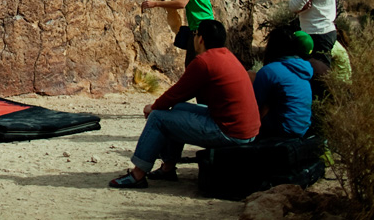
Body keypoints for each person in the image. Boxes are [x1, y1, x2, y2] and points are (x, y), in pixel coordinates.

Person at [109, 20, 260, 189]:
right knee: (179, 108)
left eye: (195, 34)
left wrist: (153, 107)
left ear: (201, 39)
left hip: (228, 132)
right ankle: (168, 168)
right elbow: (180, 97)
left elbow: (177, 92)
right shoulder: (227, 56)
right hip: (245, 130)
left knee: (158, 117)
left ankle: (138, 174)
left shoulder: (204, 61)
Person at [250, 27, 313, 139]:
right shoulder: (303, 68)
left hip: (282, 130)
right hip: (302, 129)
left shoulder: (270, 71)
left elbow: (254, 104)